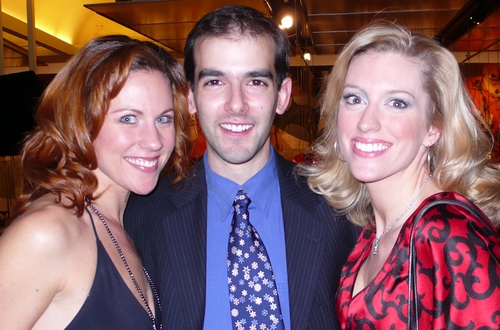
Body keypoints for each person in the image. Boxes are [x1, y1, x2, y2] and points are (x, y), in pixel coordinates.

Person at [124, 5, 360, 330]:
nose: (236, 104)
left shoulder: (340, 211)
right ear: (190, 97)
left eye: (256, 82)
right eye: (215, 82)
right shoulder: (142, 216)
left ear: (282, 95)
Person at [299, 21, 500, 328]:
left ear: (433, 127)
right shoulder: (370, 235)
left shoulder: (447, 232)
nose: (367, 122)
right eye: (354, 98)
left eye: (396, 103)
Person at [0, 35, 191, 329]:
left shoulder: (127, 223)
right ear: (81, 122)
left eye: (163, 119)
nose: (154, 141)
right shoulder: (47, 233)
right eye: (128, 118)